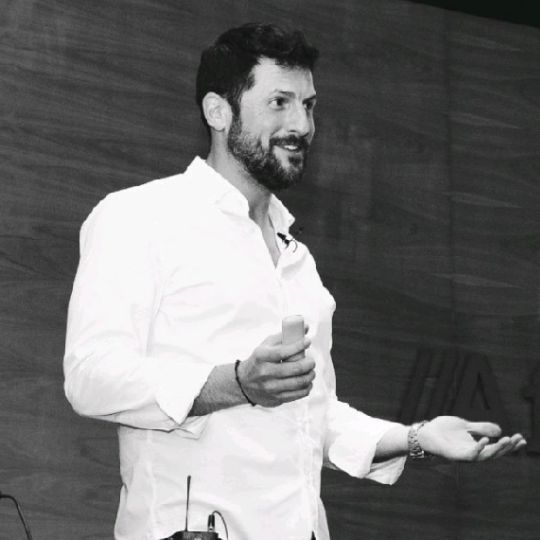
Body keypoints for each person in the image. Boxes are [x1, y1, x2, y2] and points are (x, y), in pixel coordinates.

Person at [64, 23, 526, 540]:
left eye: (308, 105)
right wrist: (235, 383)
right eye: (279, 102)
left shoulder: (296, 257)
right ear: (218, 112)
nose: (302, 125)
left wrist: (419, 438)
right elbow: (91, 376)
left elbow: (312, 418)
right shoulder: (139, 217)